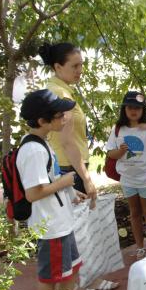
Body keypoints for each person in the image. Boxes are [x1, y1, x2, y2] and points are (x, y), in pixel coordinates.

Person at [17, 89, 88, 290]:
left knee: (69, 273)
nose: (64, 118)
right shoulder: (33, 150)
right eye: (59, 115)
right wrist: (65, 181)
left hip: (60, 223)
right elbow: (33, 193)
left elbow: (47, 179)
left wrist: (70, 190)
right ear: (42, 120)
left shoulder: (43, 143)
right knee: (51, 278)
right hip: (51, 227)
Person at [105, 91, 146, 259]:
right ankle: (140, 247)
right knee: (134, 213)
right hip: (128, 179)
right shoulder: (118, 129)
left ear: (143, 110)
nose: (133, 111)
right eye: (130, 107)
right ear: (124, 109)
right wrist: (120, 151)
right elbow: (111, 153)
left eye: (138, 108)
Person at [39, 42, 97, 207]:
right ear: (58, 67)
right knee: (80, 226)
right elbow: (67, 141)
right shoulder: (60, 95)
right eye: (75, 66)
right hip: (70, 168)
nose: (80, 70)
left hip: (71, 166)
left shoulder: (60, 90)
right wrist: (86, 179)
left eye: (81, 65)